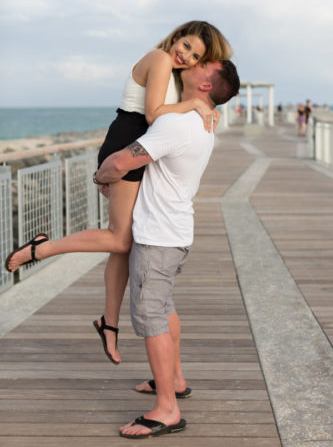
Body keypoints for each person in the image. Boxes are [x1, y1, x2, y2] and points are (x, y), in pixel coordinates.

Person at [5, 21, 232, 365]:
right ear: (176, 36)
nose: (184, 55)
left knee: (126, 243)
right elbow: (154, 114)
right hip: (126, 143)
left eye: (195, 56)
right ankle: (41, 249)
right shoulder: (158, 57)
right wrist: (195, 105)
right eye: (185, 45)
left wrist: (196, 104)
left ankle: (109, 324)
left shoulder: (171, 69)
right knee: (120, 240)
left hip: (142, 145)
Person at [93, 59, 240, 438]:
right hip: (175, 233)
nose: (195, 62)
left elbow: (124, 160)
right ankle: (173, 381)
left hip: (158, 237)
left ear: (207, 85)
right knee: (163, 306)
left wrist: (101, 174)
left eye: (206, 63)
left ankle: (166, 410)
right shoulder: (200, 121)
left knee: (150, 317)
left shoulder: (175, 123)